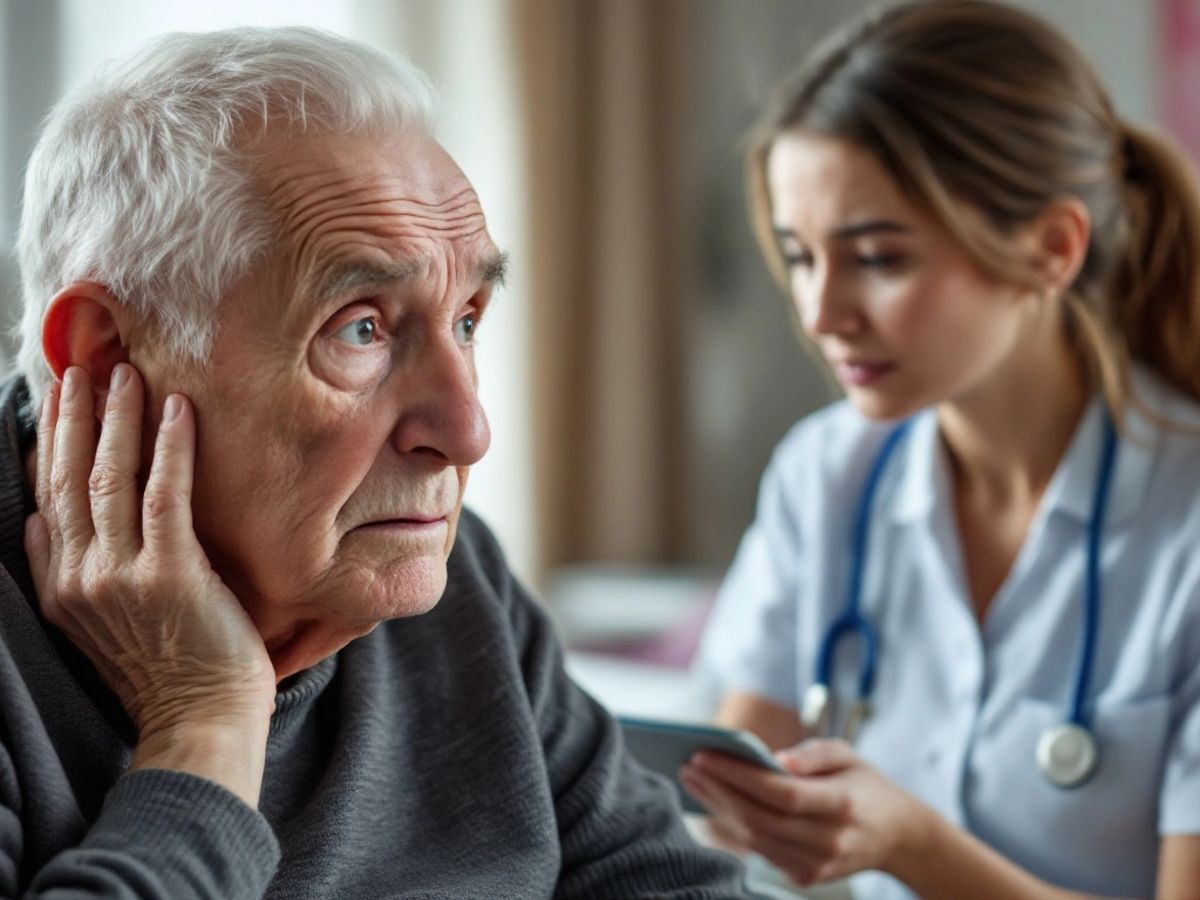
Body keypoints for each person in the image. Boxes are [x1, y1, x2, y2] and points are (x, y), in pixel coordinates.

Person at [0, 27, 756, 899]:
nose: (467, 432)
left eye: (467, 319)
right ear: (104, 356)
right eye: (361, 327)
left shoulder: (446, 570)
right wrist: (203, 727)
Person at [689, 2, 1200, 898]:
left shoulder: (1183, 522)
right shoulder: (826, 476)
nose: (819, 314)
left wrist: (911, 845)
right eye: (800, 256)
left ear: (1051, 248)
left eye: (878, 258)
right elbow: (721, 811)